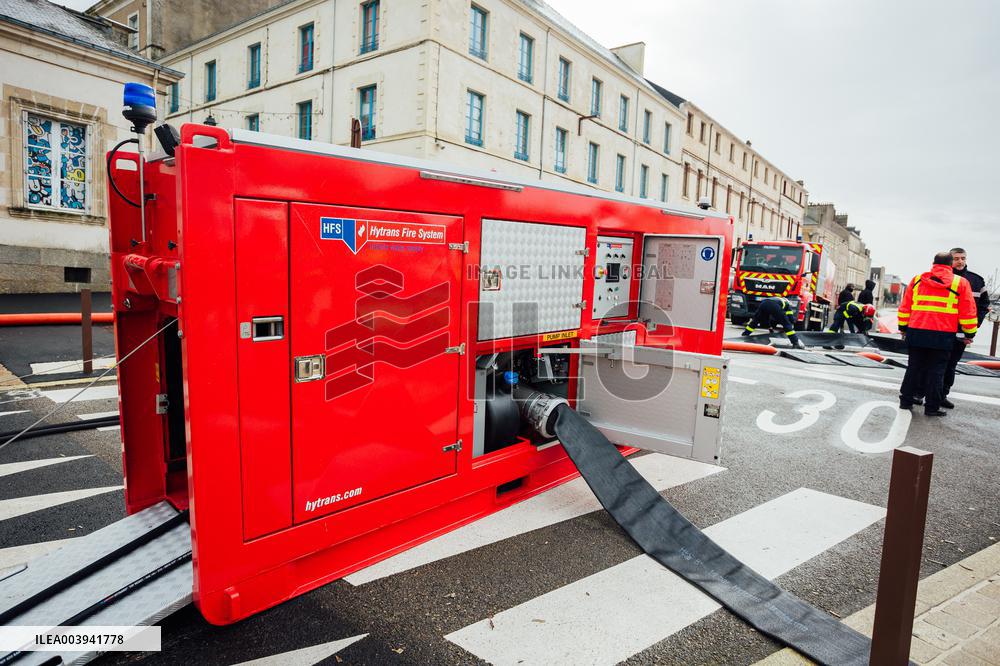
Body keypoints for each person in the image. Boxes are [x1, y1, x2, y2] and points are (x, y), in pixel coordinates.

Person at [898, 252, 978, 416]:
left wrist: (903, 328)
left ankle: (905, 401)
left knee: (913, 367)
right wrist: (969, 333)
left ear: (933, 263)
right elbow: (968, 311)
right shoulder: (960, 283)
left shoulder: (918, 279)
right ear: (950, 265)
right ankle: (931, 408)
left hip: (917, 331)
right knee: (937, 371)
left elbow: (906, 306)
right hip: (942, 334)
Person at [938, 248, 991, 407]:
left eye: (963, 258)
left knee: (951, 365)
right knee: (935, 364)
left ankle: (942, 395)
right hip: (941, 330)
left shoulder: (976, 281)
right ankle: (924, 394)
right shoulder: (941, 278)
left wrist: (974, 326)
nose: (960, 261)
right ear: (950, 260)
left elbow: (983, 305)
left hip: (962, 333)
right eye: (956, 258)